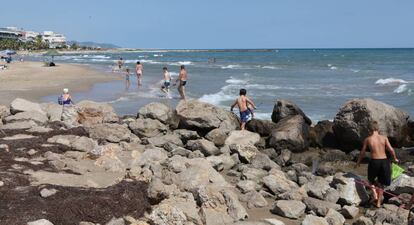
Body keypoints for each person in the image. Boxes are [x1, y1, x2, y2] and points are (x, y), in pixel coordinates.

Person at [356, 121, 399, 208]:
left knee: (371, 180)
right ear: (377, 128)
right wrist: (395, 158)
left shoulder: (368, 139)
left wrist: (358, 162)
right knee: (381, 183)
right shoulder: (384, 138)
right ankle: (379, 203)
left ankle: (374, 194)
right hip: (384, 161)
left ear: (369, 129)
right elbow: (391, 149)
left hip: (374, 162)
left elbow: (362, 152)